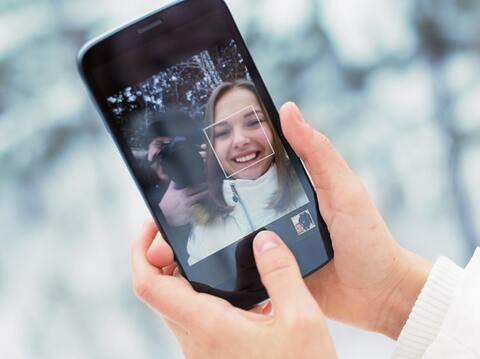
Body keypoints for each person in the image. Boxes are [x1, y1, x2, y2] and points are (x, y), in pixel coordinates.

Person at [131, 102, 480, 358]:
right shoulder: (174, 214)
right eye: (162, 157)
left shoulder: (242, 173)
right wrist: (392, 294)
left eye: (186, 148)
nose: (178, 161)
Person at [186, 80, 309, 265]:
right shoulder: (203, 230)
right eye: (222, 133)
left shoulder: (311, 185)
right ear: (212, 148)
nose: (240, 140)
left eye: (254, 122)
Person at [144, 111, 208, 227]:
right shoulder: (136, 187)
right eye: (161, 145)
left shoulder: (207, 171)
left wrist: (217, 168)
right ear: (147, 150)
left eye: (179, 148)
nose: (170, 154)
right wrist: (162, 218)